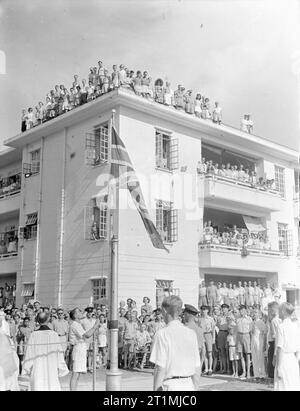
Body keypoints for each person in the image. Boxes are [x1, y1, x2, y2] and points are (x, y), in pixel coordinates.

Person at [150, 296, 200, 391]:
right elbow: (197, 366)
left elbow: (160, 367)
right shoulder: (191, 333)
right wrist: (196, 388)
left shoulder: (162, 334)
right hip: (189, 384)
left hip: (171, 384)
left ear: (164, 311)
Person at [22, 311, 68, 391]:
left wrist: (27, 368)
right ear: (48, 320)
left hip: (38, 366)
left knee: (38, 385)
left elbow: (29, 353)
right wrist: (61, 366)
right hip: (51, 366)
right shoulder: (54, 334)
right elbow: (59, 353)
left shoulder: (34, 335)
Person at [68, 308, 99, 391]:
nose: (82, 313)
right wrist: (95, 326)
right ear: (75, 315)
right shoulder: (75, 324)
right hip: (78, 348)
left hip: (81, 348)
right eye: (79, 312)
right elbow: (87, 335)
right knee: (75, 373)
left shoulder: (77, 324)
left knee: (78, 373)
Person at [274, 303, 300, 391]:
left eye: (280, 310)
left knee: (283, 386)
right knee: (292, 385)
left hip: (284, 359)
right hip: (292, 360)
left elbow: (280, 348)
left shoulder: (281, 327)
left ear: (283, 312)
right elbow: (298, 347)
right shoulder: (295, 326)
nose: (278, 312)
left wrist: (279, 367)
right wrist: (296, 360)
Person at [183, 304, 205, 377]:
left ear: (187, 315)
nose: (183, 316)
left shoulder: (186, 328)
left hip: (186, 362)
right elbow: (201, 348)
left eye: (184, 314)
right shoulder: (199, 329)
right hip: (196, 362)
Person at [236, 305, 252, 379]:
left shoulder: (249, 319)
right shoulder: (238, 319)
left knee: (247, 355)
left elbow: (251, 331)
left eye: (242, 310)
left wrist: (250, 341)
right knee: (241, 355)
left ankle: (248, 372)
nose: (241, 312)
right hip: (239, 336)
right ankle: (244, 371)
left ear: (245, 310)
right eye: (240, 310)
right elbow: (236, 330)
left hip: (246, 335)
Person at [251, 308, 267, 379]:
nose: (254, 314)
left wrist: (264, 344)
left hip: (259, 341)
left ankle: (262, 374)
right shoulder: (252, 322)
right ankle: (256, 374)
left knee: (260, 358)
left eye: (256, 312)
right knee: (254, 358)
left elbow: (264, 333)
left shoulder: (261, 322)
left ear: (259, 314)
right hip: (253, 340)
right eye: (254, 312)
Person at [199, 305, 215, 376]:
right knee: (204, 353)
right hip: (202, 335)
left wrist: (213, 338)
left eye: (205, 310)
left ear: (207, 310)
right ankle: (206, 368)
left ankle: (210, 368)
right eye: (202, 310)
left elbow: (213, 329)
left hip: (208, 334)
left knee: (210, 353)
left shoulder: (210, 319)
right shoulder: (200, 319)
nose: (203, 311)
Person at [266, 301, 281, 379]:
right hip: (278, 343)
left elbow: (275, 337)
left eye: (269, 309)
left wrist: (275, 352)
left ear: (273, 310)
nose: (268, 311)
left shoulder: (274, 321)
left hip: (274, 343)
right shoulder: (280, 319)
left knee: (272, 363)